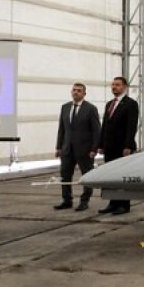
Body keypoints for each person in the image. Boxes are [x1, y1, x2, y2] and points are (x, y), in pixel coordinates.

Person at [54, 83, 100, 211]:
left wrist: (94, 148)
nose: (76, 92)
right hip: (67, 149)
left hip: (85, 150)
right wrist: (58, 147)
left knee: (87, 176)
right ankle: (67, 200)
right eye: (74, 90)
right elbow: (61, 129)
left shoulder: (91, 109)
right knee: (65, 175)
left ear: (84, 94)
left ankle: (84, 201)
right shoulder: (65, 107)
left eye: (79, 90)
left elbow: (96, 130)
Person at [97, 76, 138, 215]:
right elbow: (104, 126)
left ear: (125, 87)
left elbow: (131, 126)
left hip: (122, 148)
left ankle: (124, 205)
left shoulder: (131, 104)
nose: (114, 87)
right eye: (113, 84)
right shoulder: (109, 104)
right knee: (111, 176)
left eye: (117, 85)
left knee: (122, 176)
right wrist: (101, 144)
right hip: (109, 147)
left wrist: (128, 146)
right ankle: (113, 203)